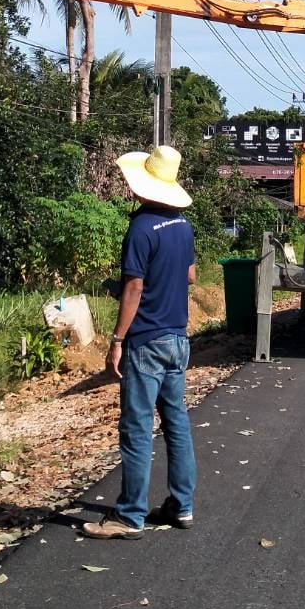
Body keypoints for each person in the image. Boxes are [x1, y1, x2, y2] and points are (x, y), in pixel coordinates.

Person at [83, 144, 197, 540]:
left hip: (146, 340)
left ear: (142, 185)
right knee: (176, 423)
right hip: (177, 339)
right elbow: (190, 277)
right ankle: (181, 506)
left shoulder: (141, 227)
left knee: (135, 427)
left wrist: (116, 339)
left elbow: (134, 287)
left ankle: (130, 515)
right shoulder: (183, 225)